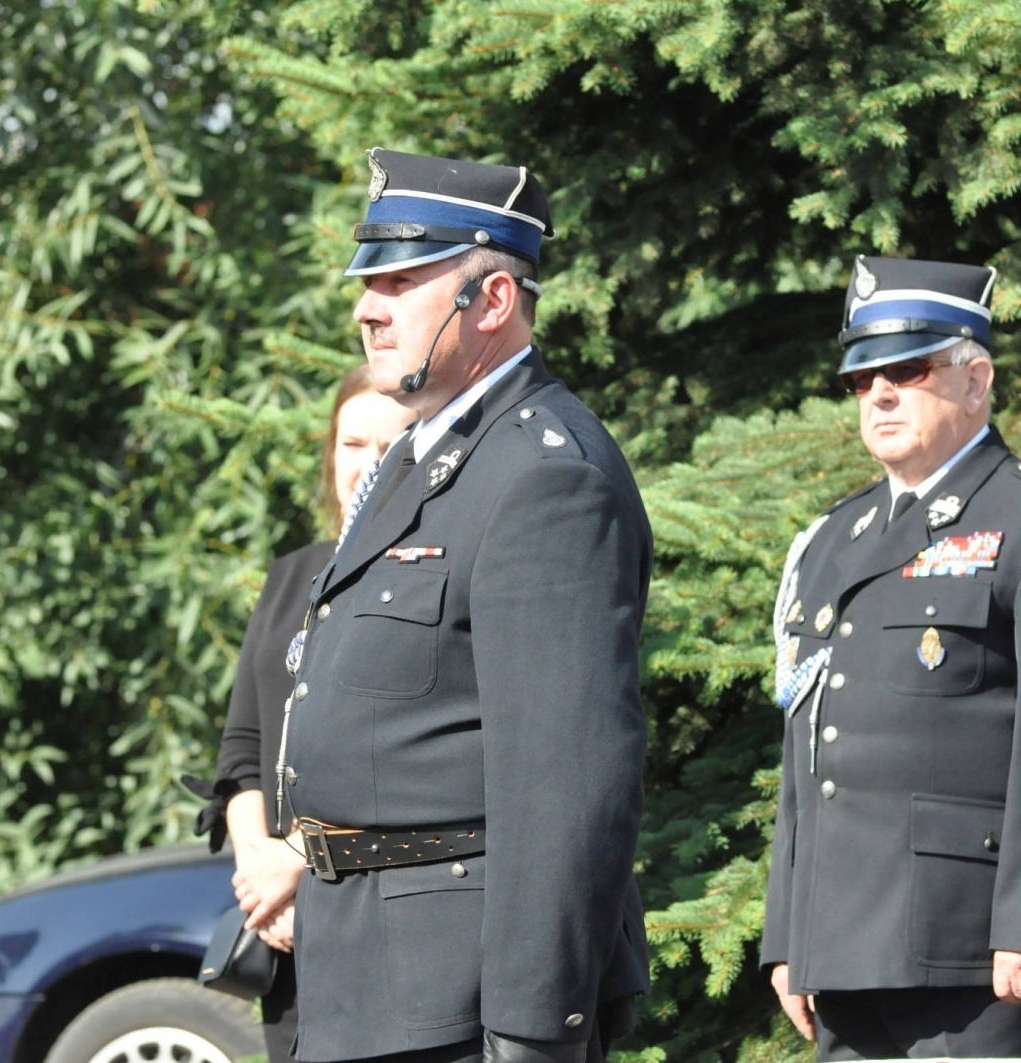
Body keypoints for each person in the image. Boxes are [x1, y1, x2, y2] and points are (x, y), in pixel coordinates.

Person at [237, 148, 653, 1063]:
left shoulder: (544, 473)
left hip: (462, 1002)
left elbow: (566, 782)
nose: (365, 307)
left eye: (401, 279)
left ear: (492, 301)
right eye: (365, 280)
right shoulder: (421, 458)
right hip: (361, 978)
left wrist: (534, 1027)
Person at [761, 255, 1021, 1059]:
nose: (880, 394)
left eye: (908, 368)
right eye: (860, 379)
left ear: (977, 382)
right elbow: (807, 748)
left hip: (977, 952)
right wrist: (788, 933)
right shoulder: (833, 540)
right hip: (841, 947)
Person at [204, 365, 411, 1061]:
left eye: (393, 445)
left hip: (385, 919)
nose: (369, 465)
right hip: (285, 934)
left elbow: (417, 756)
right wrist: (261, 868)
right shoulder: (294, 573)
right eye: (352, 444)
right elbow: (241, 748)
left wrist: (297, 859)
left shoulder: (429, 579)